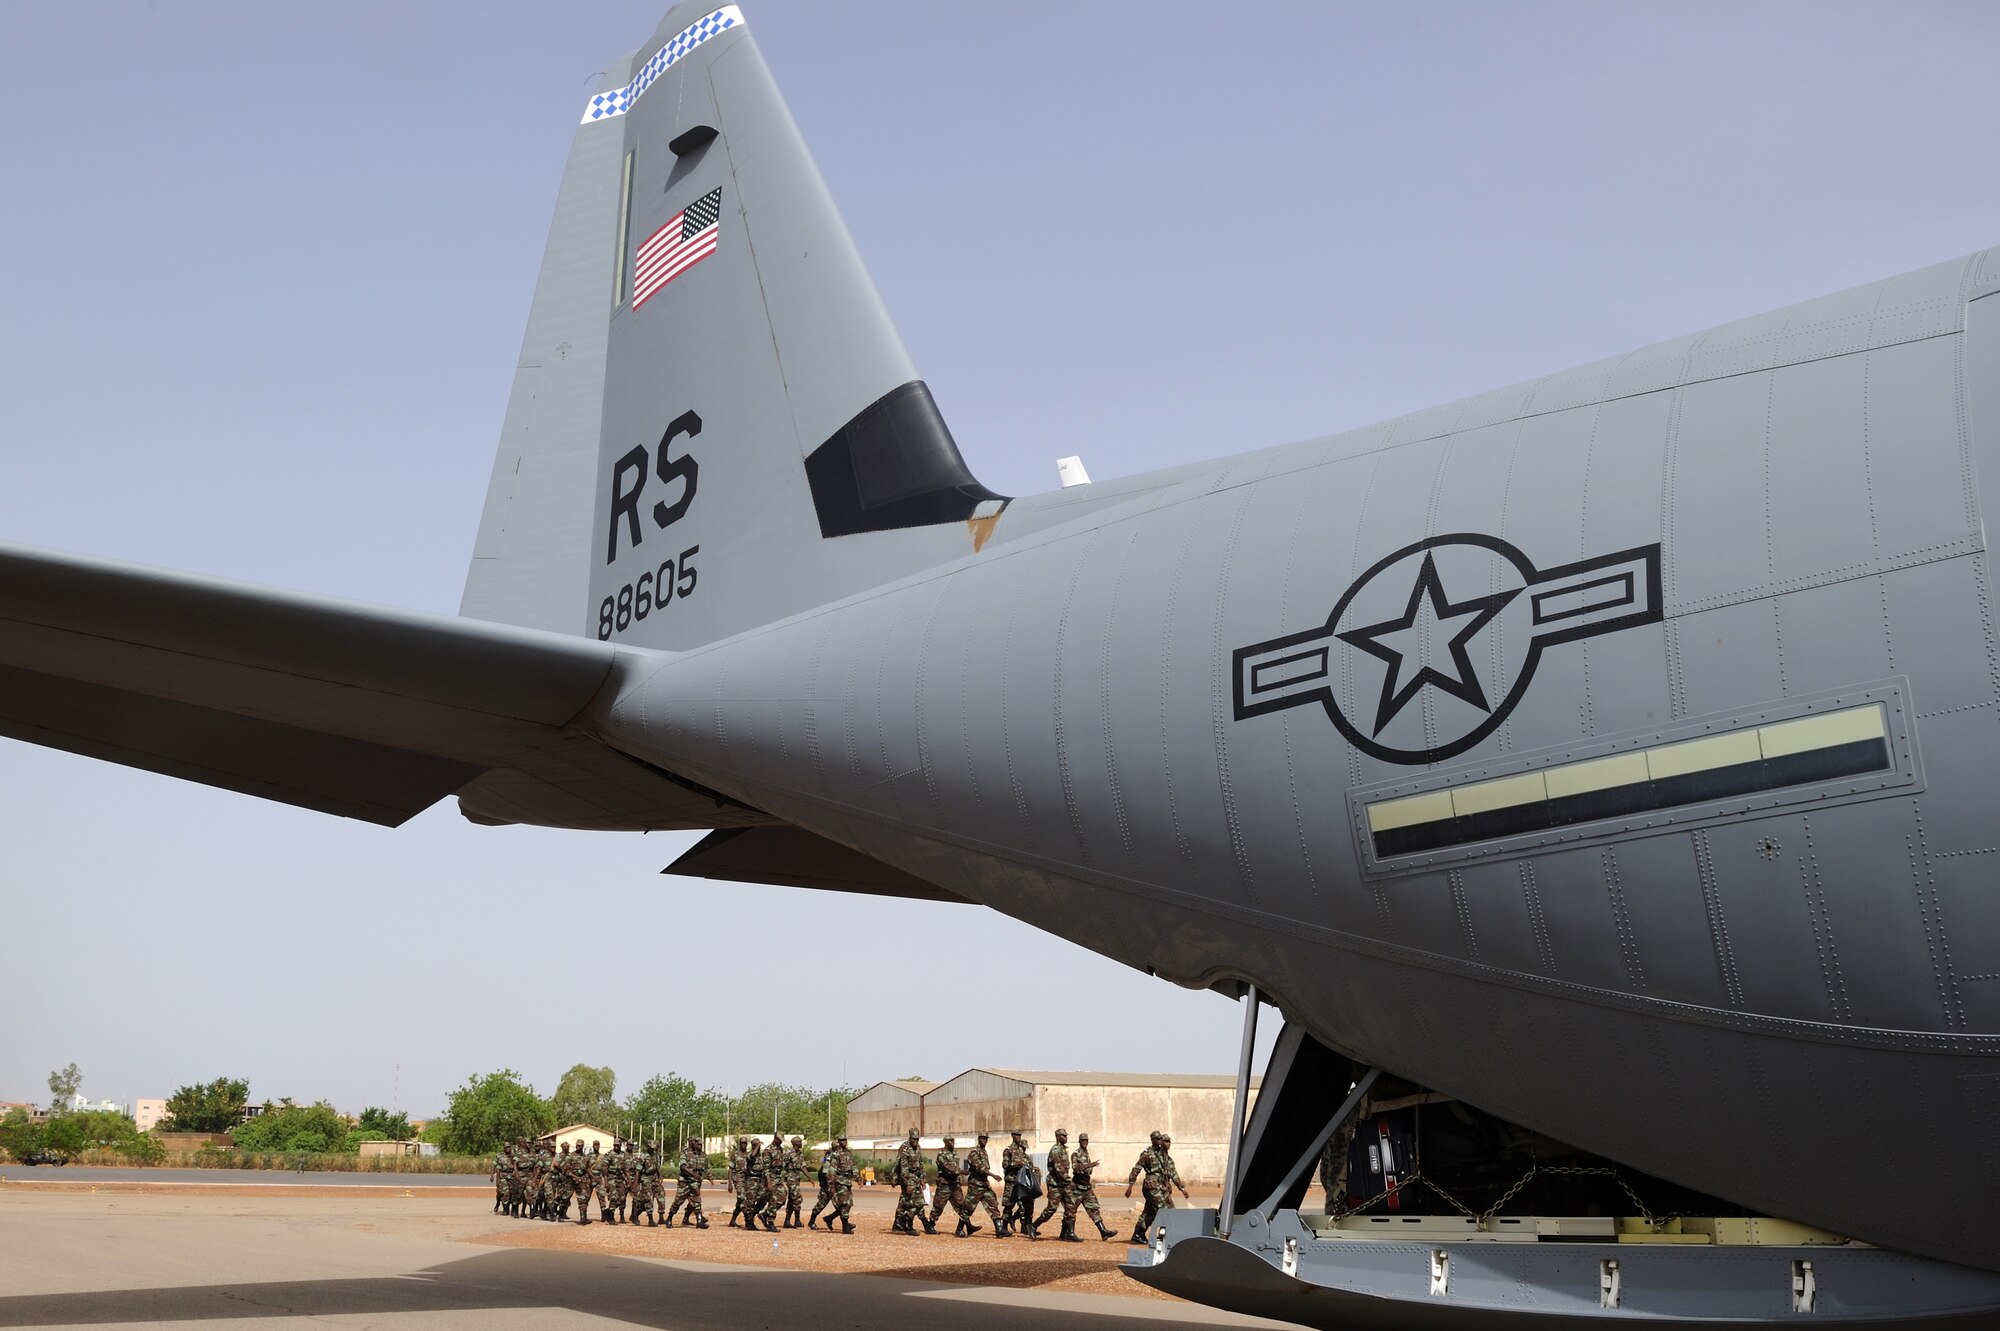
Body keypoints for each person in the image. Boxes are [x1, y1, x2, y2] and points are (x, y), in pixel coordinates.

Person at [1125, 1130, 1189, 1244]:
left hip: (1162, 1188)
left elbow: (1174, 1174)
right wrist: (1130, 1186)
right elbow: (1136, 1169)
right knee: (1163, 1211)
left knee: (1152, 1212)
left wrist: (1182, 1189)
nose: (1165, 1143)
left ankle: (1138, 1234)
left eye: (1167, 1141)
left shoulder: (1166, 1158)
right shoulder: (1147, 1154)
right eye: (1161, 1140)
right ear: (1153, 1140)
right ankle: (1163, 1237)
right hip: (1152, 1187)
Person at [1034, 1126, 1079, 1241]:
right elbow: (1058, 1169)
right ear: (1058, 1137)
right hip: (1055, 1184)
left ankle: (1068, 1233)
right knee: (1051, 1209)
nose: (1066, 1138)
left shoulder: (1063, 1149)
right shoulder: (1055, 1150)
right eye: (1063, 1136)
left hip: (1064, 1184)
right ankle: (1033, 1226)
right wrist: (1070, 1181)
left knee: (1071, 1206)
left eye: (1066, 1136)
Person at [927, 1136, 978, 1236]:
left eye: (953, 1141)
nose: (953, 1143)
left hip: (954, 1185)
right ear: (945, 1142)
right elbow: (948, 1168)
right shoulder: (941, 1155)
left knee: (961, 1206)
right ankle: (930, 1225)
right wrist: (961, 1171)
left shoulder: (954, 1154)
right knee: (938, 1206)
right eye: (950, 1141)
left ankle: (965, 1227)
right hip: (944, 1185)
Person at [1072, 1132, 1118, 1240]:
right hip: (1077, 1187)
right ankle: (1067, 1232)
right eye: (1083, 1140)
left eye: (1086, 1140)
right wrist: (1090, 1165)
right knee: (1070, 1211)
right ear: (1079, 1141)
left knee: (1094, 1208)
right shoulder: (1076, 1154)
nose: (1085, 1142)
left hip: (1087, 1187)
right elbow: (1076, 1168)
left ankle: (1103, 1231)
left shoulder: (1086, 1153)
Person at [962, 1131, 1006, 1237]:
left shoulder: (984, 1151)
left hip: (984, 1184)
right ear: (978, 1139)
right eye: (982, 1138)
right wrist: (993, 1175)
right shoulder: (974, 1152)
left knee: (993, 1204)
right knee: (969, 1207)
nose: (984, 1141)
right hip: (976, 1184)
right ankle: (960, 1228)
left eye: (985, 1139)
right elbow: (980, 1168)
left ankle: (999, 1230)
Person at [812, 1133, 857, 1232]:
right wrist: (830, 1186)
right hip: (831, 1185)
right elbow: (826, 1172)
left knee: (844, 1205)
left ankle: (831, 1219)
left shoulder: (846, 1154)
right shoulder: (830, 1157)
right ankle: (813, 1221)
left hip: (840, 1183)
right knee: (824, 1204)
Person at [892, 1127, 933, 1234]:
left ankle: (899, 1223)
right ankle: (907, 1225)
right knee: (912, 1203)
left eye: (917, 1139)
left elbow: (920, 1164)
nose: (915, 1141)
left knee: (908, 1202)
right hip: (907, 1178)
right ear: (909, 1138)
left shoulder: (918, 1147)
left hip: (915, 1178)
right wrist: (907, 1184)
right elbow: (903, 1167)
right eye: (914, 1139)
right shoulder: (904, 1148)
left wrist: (923, 1178)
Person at [669, 1137, 710, 1227]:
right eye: (697, 1143)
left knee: (697, 1200)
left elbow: (706, 1168)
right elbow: (682, 1167)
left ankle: (699, 1221)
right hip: (684, 1181)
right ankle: (669, 1217)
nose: (699, 1145)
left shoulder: (702, 1155)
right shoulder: (685, 1153)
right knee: (678, 1201)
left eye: (700, 1144)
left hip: (695, 1182)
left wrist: (710, 1178)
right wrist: (693, 1173)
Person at [999, 1129, 1030, 1237]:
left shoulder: (1022, 1150)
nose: (1018, 1137)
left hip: (1021, 1182)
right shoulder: (1008, 1150)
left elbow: (1027, 1164)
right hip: (1011, 1182)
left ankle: (1025, 1227)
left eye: (1019, 1135)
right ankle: (1003, 1228)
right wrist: (1016, 1164)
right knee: (1009, 1205)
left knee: (1024, 1205)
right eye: (1016, 1135)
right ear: (1012, 1136)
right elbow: (1005, 1165)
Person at [783, 1134, 807, 1228]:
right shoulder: (789, 1154)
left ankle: (787, 1221)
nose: (801, 1143)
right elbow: (782, 1165)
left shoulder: (800, 1154)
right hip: (790, 1178)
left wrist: (809, 1178)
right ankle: (797, 1220)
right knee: (797, 1199)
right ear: (794, 1143)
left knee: (792, 1200)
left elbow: (803, 1167)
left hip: (796, 1179)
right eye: (799, 1142)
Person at [727, 1136, 749, 1227]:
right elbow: (730, 1169)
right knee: (742, 1198)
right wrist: (729, 1183)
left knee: (740, 1201)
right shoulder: (735, 1155)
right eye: (742, 1143)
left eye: (745, 1143)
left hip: (747, 1179)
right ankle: (748, 1219)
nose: (743, 1144)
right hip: (737, 1178)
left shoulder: (749, 1155)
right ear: (739, 1144)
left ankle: (733, 1220)